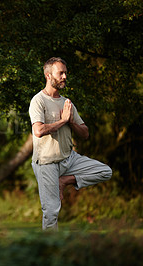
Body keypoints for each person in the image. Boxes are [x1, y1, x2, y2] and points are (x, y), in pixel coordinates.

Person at [28, 57, 112, 230]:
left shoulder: (67, 103)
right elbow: (38, 130)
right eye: (61, 73)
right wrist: (63, 120)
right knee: (51, 212)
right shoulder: (38, 101)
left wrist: (71, 121)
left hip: (69, 159)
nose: (65, 77)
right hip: (47, 164)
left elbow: (85, 133)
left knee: (105, 171)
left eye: (65, 73)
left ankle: (64, 181)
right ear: (48, 75)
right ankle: (50, 253)